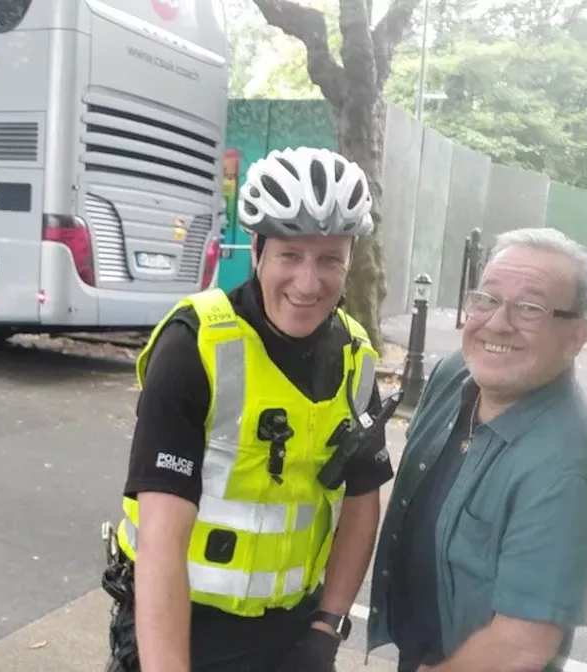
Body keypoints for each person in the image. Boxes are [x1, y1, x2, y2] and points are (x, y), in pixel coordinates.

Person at [104, 146, 394, 672]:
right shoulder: (194, 346)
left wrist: (327, 626)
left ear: (351, 259)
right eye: (290, 255)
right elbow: (162, 540)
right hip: (183, 620)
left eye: (330, 259)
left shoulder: (356, 357)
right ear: (257, 251)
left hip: (292, 628)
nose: (309, 284)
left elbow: (361, 500)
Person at [366, 228, 587, 672]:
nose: (498, 323)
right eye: (486, 299)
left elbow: (522, 644)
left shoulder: (569, 461)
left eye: (531, 308)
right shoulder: (453, 375)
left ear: (577, 337)